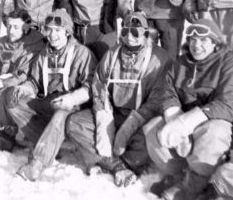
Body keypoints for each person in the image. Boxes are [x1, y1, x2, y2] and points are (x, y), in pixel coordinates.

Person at [144, 18, 233, 200]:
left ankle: (196, 183)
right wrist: (173, 117)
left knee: (213, 133)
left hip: (214, 122)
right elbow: (166, 90)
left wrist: (186, 122)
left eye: (203, 40)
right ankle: (178, 175)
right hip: (184, 123)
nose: (196, 45)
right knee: (153, 130)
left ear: (215, 43)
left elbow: (228, 103)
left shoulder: (230, 65)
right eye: (192, 39)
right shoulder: (181, 63)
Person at [66, 12, 173, 187]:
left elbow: (158, 98)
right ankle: (117, 165)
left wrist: (133, 123)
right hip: (114, 113)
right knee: (73, 122)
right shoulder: (112, 54)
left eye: (136, 33)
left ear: (146, 34)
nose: (129, 37)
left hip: (141, 118)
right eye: (125, 32)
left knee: (152, 136)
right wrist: (103, 114)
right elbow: (99, 84)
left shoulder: (159, 59)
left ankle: (111, 160)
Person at [0, 9, 97, 181]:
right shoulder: (43, 54)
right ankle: (49, 143)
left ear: (67, 32)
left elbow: (91, 86)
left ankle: (36, 164)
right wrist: (25, 89)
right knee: (12, 101)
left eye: (57, 30)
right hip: (48, 102)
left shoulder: (82, 53)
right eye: (49, 30)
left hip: (73, 106)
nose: (52, 35)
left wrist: (72, 98)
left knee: (61, 112)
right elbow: (35, 82)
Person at [0, 9, 46, 148]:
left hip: (23, 88)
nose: (11, 30)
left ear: (26, 28)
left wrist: (0, 82)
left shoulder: (35, 45)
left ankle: (8, 133)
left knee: (3, 95)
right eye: (9, 26)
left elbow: (24, 74)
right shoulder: (2, 43)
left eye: (16, 27)